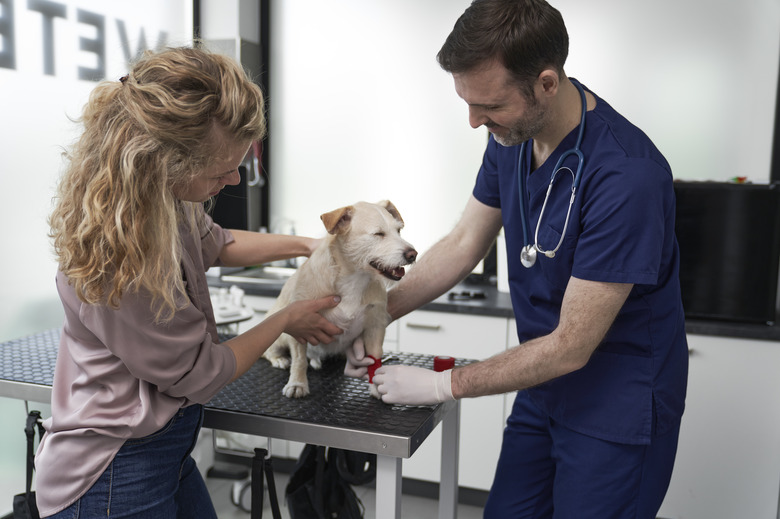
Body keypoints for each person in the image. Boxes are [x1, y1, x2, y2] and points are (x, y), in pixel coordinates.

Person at [347, 1, 688, 517]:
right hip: (541, 387)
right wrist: (375, 313)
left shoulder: (626, 176)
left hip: (616, 404)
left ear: (546, 84)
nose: (473, 121)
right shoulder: (511, 137)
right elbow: (465, 242)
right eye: (466, 103)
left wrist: (445, 384)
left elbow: (573, 346)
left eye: (488, 106)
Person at [38, 46, 343, 518]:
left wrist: (308, 245)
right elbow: (203, 372)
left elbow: (217, 243)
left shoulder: (166, 198)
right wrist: (284, 319)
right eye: (221, 170)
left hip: (166, 452)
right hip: (112, 471)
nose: (233, 178)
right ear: (163, 159)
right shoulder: (121, 258)